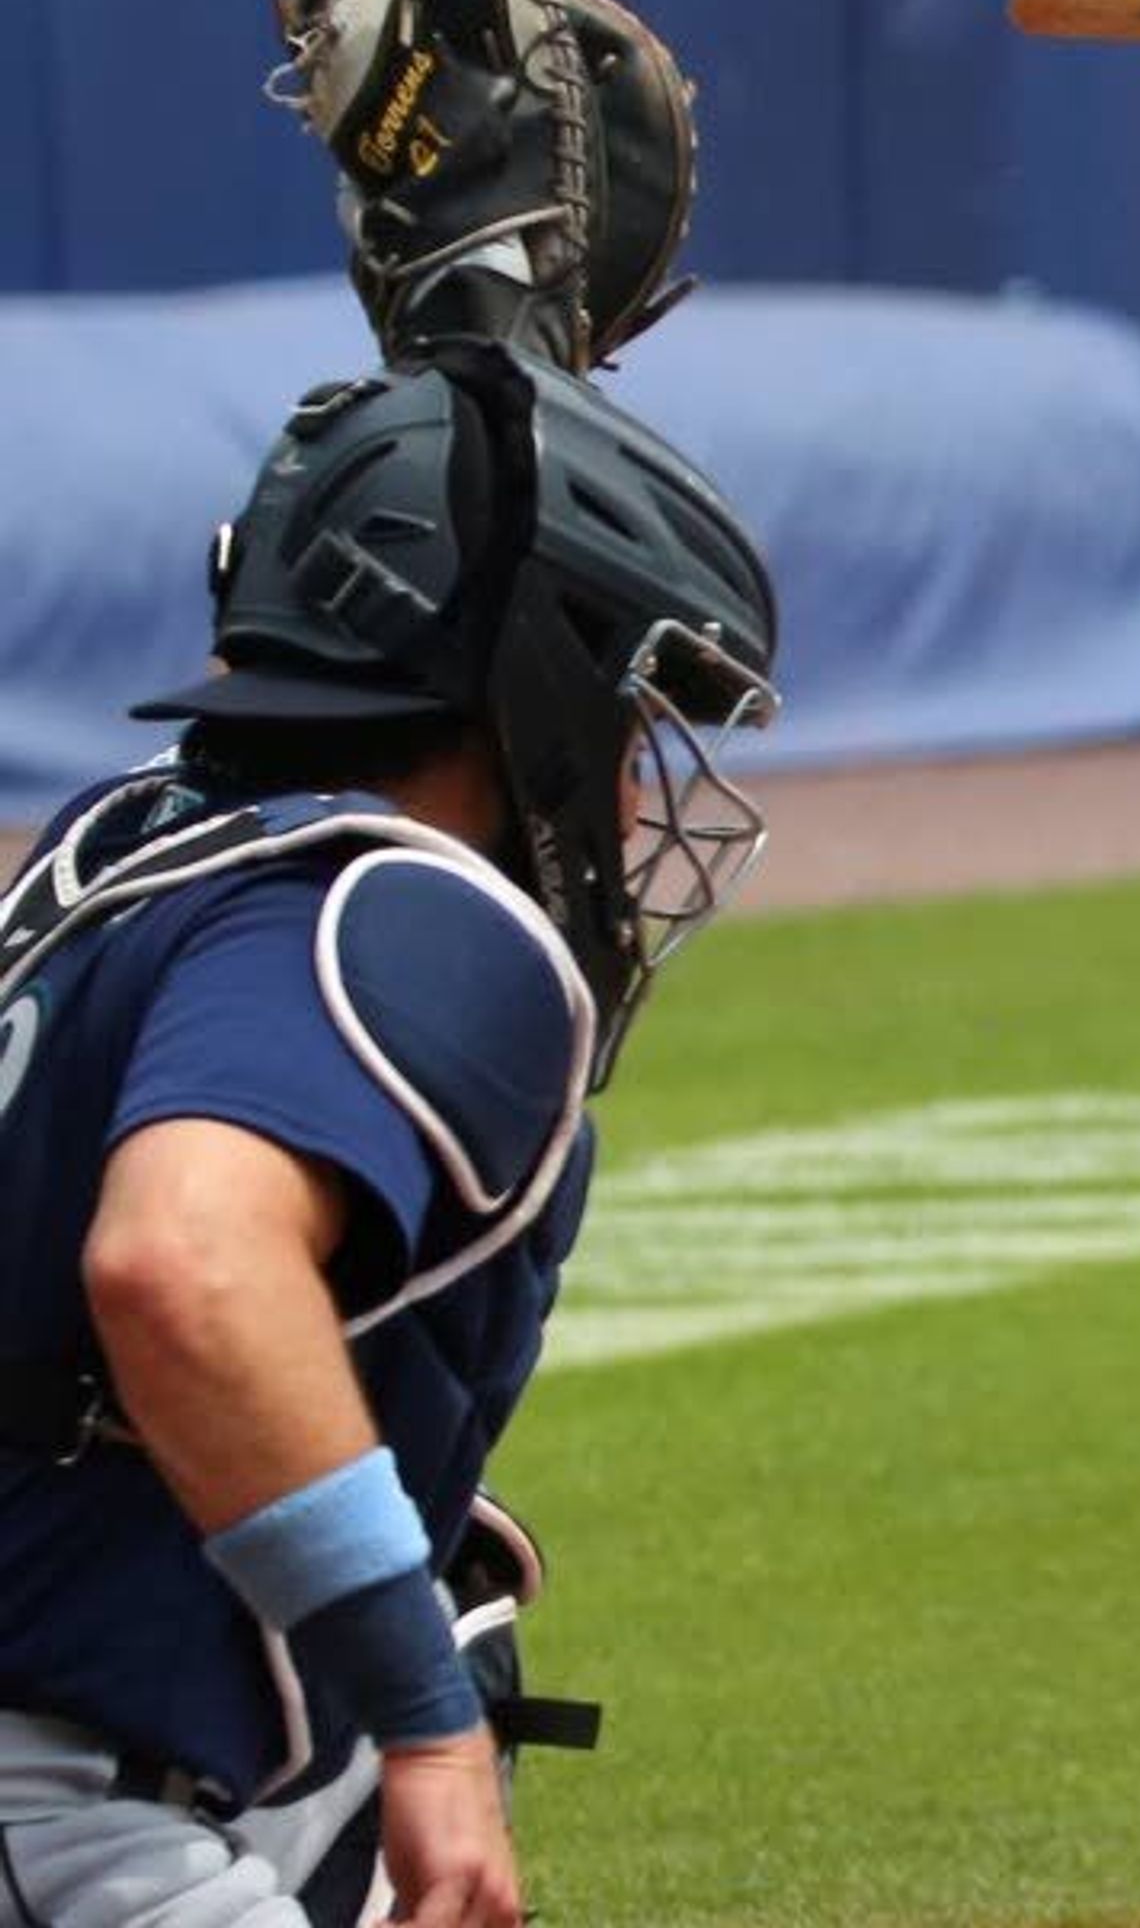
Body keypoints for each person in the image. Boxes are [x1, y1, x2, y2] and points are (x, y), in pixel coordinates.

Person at [0, 340, 778, 1928]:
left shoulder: (129, 841)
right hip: (59, 1809)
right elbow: (182, 1266)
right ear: (543, 691)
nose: (637, 800)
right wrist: (418, 1713)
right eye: (632, 725)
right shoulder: (407, 904)